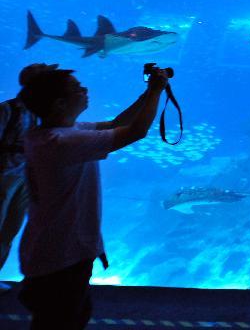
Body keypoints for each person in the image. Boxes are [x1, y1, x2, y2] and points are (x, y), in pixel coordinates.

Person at [16, 66, 169, 330]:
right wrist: (156, 90)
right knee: (60, 321)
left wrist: (147, 93)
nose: (85, 90)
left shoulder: (57, 133)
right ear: (60, 103)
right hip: (60, 256)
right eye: (77, 88)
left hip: (55, 250)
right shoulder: (60, 143)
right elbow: (135, 132)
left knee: (69, 315)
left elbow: (117, 124)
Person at [0, 64, 57, 292]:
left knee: (10, 229)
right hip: (3, 176)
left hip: (25, 179)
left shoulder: (41, 114)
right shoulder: (6, 110)